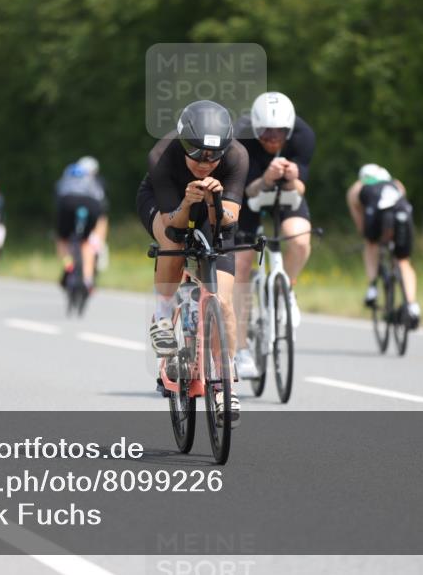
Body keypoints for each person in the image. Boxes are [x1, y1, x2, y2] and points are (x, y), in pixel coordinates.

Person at [135, 100, 247, 425]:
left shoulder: (237, 156)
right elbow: (174, 224)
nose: (205, 162)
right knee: (174, 242)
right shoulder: (162, 154)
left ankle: (224, 381)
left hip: (215, 208)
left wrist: (214, 201)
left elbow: (229, 221)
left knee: (223, 301)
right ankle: (162, 314)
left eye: (213, 156)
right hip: (167, 205)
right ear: (184, 144)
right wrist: (188, 201)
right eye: (196, 153)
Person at [232, 92, 316, 378]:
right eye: (266, 133)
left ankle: (286, 289)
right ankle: (241, 349)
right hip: (249, 194)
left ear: (289, 130)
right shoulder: (241, 139)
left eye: (279, 133)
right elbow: (247, 190)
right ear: (255, 128)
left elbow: (301, 188)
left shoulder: (303, 136)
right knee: (241, 263)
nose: (272, 139)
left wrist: (292, 178)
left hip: (285, 194)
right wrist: (266, 178)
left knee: (300, 240)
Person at [346, 163, 421, 329]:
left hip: (376, 214)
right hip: (402, 214)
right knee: (403, 261)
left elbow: (361, 227)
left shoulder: (357, 188)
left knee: (370, 244)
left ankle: (372, 287)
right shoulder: (396, 183)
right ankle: (412, 305)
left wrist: (369, 236)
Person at [54, 156, 107, 293]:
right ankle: (88, 279)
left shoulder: (68, 173)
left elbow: (58, 196)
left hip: (67, 202)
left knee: (62, 238)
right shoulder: (95, 180)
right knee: (86, 242)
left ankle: (68, 265)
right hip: (91, 204)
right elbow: (102, 207)